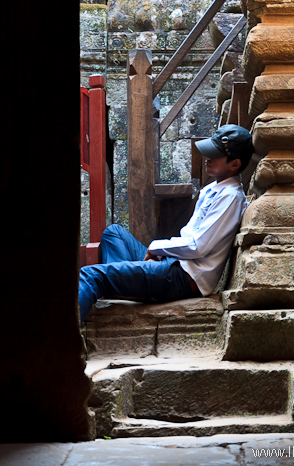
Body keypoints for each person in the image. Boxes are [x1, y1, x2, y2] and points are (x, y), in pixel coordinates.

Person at [78, 124, 254, 324]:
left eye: (215, 155)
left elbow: (199, 246)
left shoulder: (230, 197)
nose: (208, 157)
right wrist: (160, 253)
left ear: (234, 164)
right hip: (173, 264)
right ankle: (129, 284)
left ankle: (65, 339)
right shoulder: (213, 188)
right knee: (113, 232)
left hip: (184, 277)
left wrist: (156, 248)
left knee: (90, 275)